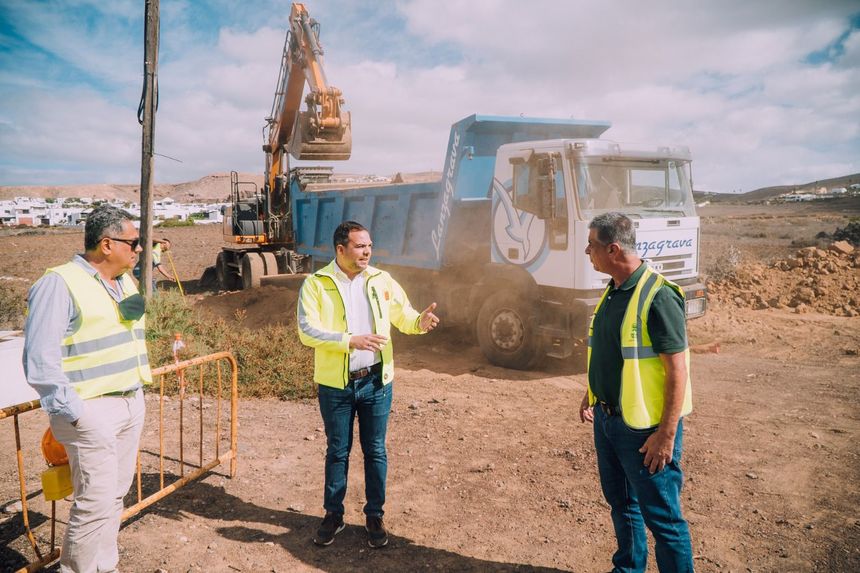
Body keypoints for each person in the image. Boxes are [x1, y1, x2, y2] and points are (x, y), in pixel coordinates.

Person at [23, 204, 151, 573]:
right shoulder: (58, 283)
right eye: (134, 242)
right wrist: (76, 413)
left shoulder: (124, 280)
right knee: (93, 503)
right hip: (90, 410)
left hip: (129, 401)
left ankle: (104, 567)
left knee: (112, 498)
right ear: (107, 245)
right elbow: (40, 360)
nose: (139, 248)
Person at [297, 220, 440, 549]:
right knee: (337, 451)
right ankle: (333, 515)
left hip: (376, 382)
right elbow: (307, 331)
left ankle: (375, 515)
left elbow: (403, 315)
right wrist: (350, 341)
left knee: (375, 451)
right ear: (340, 249)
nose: (367, 252)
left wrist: (419, 322)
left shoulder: (381, 280)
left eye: (370, 246)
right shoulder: (316, 284)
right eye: (360, 246)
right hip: (336, 385)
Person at [578, 212, 694, 572]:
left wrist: (666, 434)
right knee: (622, 504)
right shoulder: (613, 291)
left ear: (613, 249)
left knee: (664, 520)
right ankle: (629, 568)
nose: (586, 251)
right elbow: (611, 351)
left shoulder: (658, 296)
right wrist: (591, 391)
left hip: (645, 431)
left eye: (592, 245)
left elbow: (677, 370)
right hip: (609, 419)